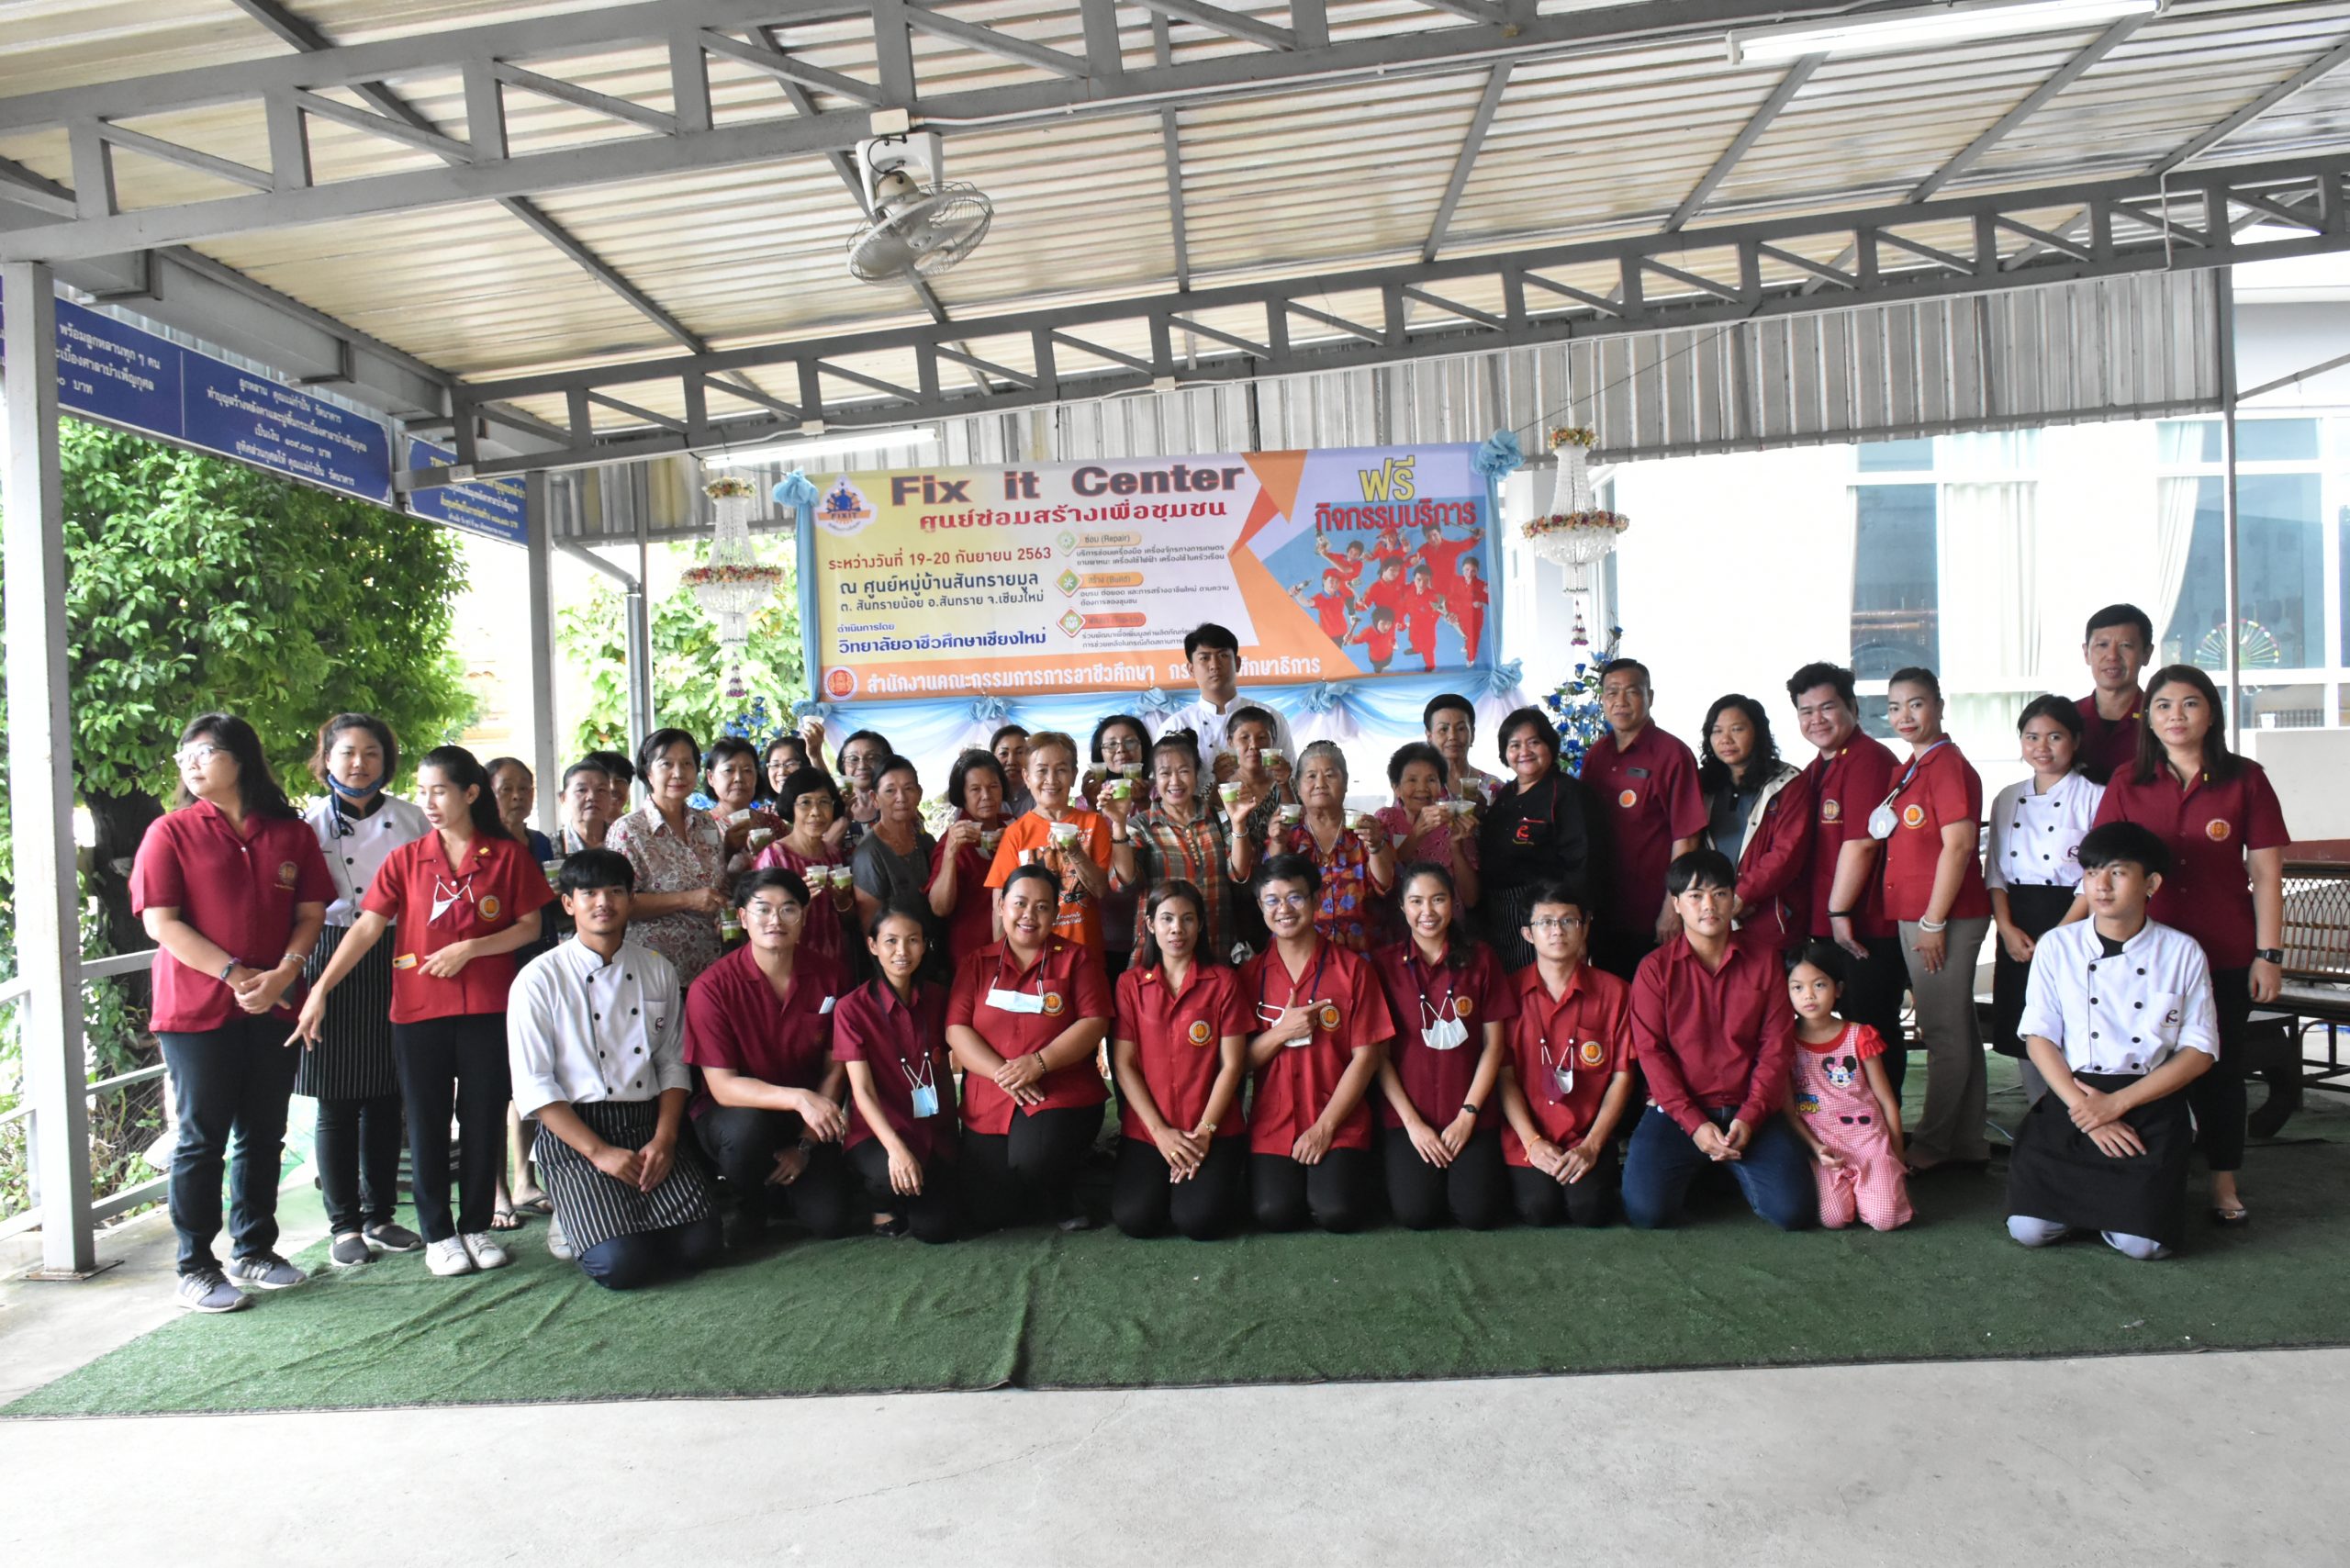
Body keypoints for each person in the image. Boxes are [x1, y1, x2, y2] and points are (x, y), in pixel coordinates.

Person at [295, 745, 553, 1277]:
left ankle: (476, 1226)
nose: (429, 803)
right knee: (428, 1122)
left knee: (482, 1118)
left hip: (488, 1008)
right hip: (418, 1011)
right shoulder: (406, 859)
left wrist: (471, 949)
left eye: (440, 791)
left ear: (470, 793)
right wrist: (320, 987)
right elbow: (367, 928)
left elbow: (529, 927)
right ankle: (439, 1234)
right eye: (423, 792)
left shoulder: (507, 857)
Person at [132, 715, 333, 1313]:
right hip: (195, 1011)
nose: (191, 763)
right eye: (184, 755)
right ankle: (195, 1266)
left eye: (205, 752)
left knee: (264, 1134)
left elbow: (311, 913)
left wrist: (285, 975)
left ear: (240, 758)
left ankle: (255, 1250)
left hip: (274, 1004)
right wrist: (235, 974)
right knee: (201, 1139)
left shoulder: (290, 834)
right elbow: (160, 923)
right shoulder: (169, 832)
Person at [2091, 663, 2288, 1226]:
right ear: (2148, 718)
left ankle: (2223, 1182)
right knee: (2143, 1060)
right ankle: (2149, 1173)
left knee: (2220, 1068)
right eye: (2163, 705)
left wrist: (2268, 955)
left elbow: (2267, 875)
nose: (2175, 716)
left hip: (2225, 951)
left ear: (2212, 714)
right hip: (2143, 953)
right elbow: (2101, 864)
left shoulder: (2246, 779)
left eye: (2190, 703)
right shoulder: (2127, 780)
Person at [506, 850, 721, 1290]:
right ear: (569, 903)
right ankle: (574, 1217)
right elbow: (535, 1085)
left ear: (630, 899)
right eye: (589, 893)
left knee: (703, 1248)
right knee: (622, 1267)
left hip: (647, 1125)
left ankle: (607, 1222)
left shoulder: (656, 968)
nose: (603, 902)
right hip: (578, 1134)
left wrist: (665, 1140)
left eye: (615, 891)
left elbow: (672, 1063)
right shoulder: (538, 978)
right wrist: (599, 1152)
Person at [2005, 823, 2218, 1260]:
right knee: (2029, 1230)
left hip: (2149, 1101)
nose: (2101, 886)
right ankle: (2103, 1209)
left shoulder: (2182, 952)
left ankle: (2118, 1215)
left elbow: (2199, 1052)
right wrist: (2090, 1113)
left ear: (2151, 884)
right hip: (2074, 1095)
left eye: (2117, 873)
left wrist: (2117, 1105)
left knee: (2145, 1246)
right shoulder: (2057, 946)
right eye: (2091, 873)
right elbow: (2039, 1036)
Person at [292, 713, 431, 1269]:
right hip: (331, 951)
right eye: (347, 752)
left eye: (371, 753)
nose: (359, 763)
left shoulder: (412, 818)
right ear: (326, 759)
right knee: (337, 1098)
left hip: (400, 953)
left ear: (386, 761)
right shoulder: (308, 825)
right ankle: (344, 1223)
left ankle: (381, 1216)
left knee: (387, 1094)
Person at [1621, 850, 1812, 1231]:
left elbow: (1776, 1048)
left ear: (1733, 898)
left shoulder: (1765, 960)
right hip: (1678, 1112)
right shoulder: (1654, 969)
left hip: (1749, 1110)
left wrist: (1751, 1117)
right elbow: (1651, 1054)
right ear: (1676, 904)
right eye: (1695, 896)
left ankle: (1724, 1165)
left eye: (1720, 893)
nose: (1709, 905)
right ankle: (1710, 1168)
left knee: (1794, 1213)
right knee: (1647, 1212)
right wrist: (1693, 1124)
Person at [683, 868, 859, 1246]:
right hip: (735, 1114)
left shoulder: (831, 976)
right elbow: (723, 1087)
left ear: (804, 917)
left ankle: (784, 1188)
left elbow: (836, 1069)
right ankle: (750, 1203)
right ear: (743, 918)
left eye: (788, 909)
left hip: (806, 1118)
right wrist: (799, 1098)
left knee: (831, 1220)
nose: (775, 920)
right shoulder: (711, 988)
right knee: (746, 1131)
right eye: (762, 909)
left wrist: (805, 1145)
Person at [946, 862, 1113, 1231]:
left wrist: (1038, 1063)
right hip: (991, 1093)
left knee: (1034, 1159)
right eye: (1020, 903)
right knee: (989, 1212)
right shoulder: (976, 963)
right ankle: (1029, 1187)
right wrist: (1004, 1074)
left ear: (1055, 913)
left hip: (1057, 1091)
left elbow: (1095, 1022)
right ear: (1001, 906)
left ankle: (1061, 1194)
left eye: (1041, 907)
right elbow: (956, 1029)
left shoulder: (1077, 959)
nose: (1029, 915)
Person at [1880, 667, 1993, 1173]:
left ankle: (1933, 1142)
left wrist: (1932, 921)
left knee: (1943, 1032)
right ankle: (1966, 1140)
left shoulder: (1947, 765)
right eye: (1895, 707)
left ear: (1940, 707)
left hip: (1942, 918)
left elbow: (1960, 846)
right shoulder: (1914, 766)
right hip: (1922, 914)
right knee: (1958, 1028)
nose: (1905, 716)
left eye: (1917, 704)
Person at [1244, 856, 1394, 1232]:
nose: (1284, 909)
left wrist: (1324, 1127)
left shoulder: (1353, 970)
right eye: (1272, 900)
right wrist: (1281, 1031)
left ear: (1316, 900)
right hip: (1274, 1122)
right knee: (1274, 1213)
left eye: (1295, 897)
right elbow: (1239, 1062)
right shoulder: (1249, 976)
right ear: (1260, 906)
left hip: (1337, 1118)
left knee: (1337, 1213)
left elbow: (1366, 1057)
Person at [1785, 662, 1908, 1096]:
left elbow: (1863, 843)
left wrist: (1838, 913)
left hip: (1864, 925)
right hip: (1830, 924)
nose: (1816, 719)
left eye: (1827, 707)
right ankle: (1852, 1119)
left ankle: (1886, 1127)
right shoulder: (1818, 767)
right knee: (1843, 1028)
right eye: (1806, 711)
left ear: (1853, 707)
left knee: (1872, 1027)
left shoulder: (1868, 761)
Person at [1371, 863, 1516, 1230]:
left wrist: (1468, 1115)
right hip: (1409, 1116)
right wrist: (1413, 1125)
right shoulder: (1384, 965)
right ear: (1402, 907)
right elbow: (1379, 1057)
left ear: (1453, 903)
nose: (1428, 912)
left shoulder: (1482, 959)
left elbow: (1494, 1046)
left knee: (1477, 1214)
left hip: (1469, 1110)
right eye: (1416, 901)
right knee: (1416, 1214)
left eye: (1438, 899)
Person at [1110, 881, 1253, 1239]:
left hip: (1211, 1127)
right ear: (1150, 924)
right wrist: (1160, 1134)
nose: (1177, 929)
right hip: (1149, 1129)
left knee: (1199, 1221)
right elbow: (1124, 1064)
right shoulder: (1129, 984)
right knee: (1136, 1219)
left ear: (1200, 925)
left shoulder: (1223, 982)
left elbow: (1233, 1066)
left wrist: (1204, 1133)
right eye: (1167, 919)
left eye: (1188, 919)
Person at [1986, 695, 2104, 1104]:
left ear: (2076, 740)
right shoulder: (2006, 797)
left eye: (2055, 736)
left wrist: (2059, 936)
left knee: (2071, 1023)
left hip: (2075, 921)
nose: (2042, 747)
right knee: (2023, 1023)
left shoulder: (2095, 796)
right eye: (2032, 737)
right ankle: (2040, 1114)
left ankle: (2079, 1112)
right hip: (2017, 923)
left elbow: (2094, 877)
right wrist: (2005, 928)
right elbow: (1995, 872)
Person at [1498, 883, 1635, 1227]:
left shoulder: (1616, 992)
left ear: (1584, 927)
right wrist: (1532, 1142)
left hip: (1587, 1134)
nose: (1557, 931)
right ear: (1527, 934)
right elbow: (1504, 1077)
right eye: (1545, 922)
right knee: (1539, 1209)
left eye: (1568, 921)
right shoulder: (1509, 992)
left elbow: (1622, 1076)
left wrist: (1592, 1145)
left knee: (1590, 1211)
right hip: (1528, 1134)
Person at [834, 903, 962, 1241]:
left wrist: (954, 1134)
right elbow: (862, 1091)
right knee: (888, 1178)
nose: (902, 952)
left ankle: (912, 1197)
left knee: (939, 1228)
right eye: (891, 941)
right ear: (873, 945)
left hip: (932, 1130)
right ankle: (880, 1202)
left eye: (913, 940)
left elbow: (945, 1069)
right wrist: (895, 1148)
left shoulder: (938, 997)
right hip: (879, 1134)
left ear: (925, 945)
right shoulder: (852, 1009)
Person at [1579, 658, 1707, 981]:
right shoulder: (1596, 755)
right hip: (1605, 911)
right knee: (1611, 998)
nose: (1620, 701)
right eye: (1612, 692)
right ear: (1602, 700)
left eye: (1632, 691)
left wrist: (1672, 908)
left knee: (1657, 997)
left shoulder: (1672, 754)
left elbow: (1687, 838)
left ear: (1650, 696)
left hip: (1652, 914)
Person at [1784, 941, 1912, 1232]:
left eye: (1819, 985)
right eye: (1797, 988)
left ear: (1838, 989)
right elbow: (1789, 1111)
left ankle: (1881, 1183)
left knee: (1885, 1218)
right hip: (1824, 1145)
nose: (1809, 995)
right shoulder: (1783, 1044)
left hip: (1869, 1139)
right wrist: (1816, 1148)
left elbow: (1886, 1100)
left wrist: (1896, 1157)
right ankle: (1855, 1190)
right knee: (1834, 1218)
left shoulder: (1859, 1036)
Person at [1111, 732, 1252, 968]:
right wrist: (1118, 823)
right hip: (1160, 954)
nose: (1175, 781)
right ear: (1154, 778)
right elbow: (1124, 882)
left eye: (1184, 771)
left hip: (1215, 943)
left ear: (1197, 773)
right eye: (1165, 773)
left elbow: (1240, 873)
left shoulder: (1220, 818)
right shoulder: (1141, 825)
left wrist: (1238, 823)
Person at [1476, 707, 1600, 971]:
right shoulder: (1505, 794)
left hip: (1546, 914)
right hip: (1500, 915)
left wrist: (1579, 931)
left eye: (1534, 742)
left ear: (1550, 745)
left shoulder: (1567, 793)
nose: (1524, 752)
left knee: (1543, 985)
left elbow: (1582, 865)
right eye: (1514, 745)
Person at [603, 728, 728, 988]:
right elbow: (618, 902)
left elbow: (718, 885)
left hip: (711, 968)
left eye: (687, 764)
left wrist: (723, 911)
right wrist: (688, 899)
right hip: (653, 972)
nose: (678, 773)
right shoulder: (628, 830)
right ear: (648, 772)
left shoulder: (706, 823)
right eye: (667, 764)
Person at [1696, 694, 1813, 949]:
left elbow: (1786, 853)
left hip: (1771, 920)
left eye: (1737, 729)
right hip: (1712, 917)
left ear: (1758, 732)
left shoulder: (1788, 782)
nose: (1726, 739)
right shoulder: (1702, 784)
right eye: (1717, 731)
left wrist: (1741, 895)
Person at [983, 730, 1114, 956]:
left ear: (1073, 775)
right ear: (1027, 777)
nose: (1051, 780)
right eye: (1042, 770)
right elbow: (1000, 909)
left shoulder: (1094, 823)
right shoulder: (1015, 833)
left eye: (1061, 770)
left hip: (1084, 955)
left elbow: (1101, 890)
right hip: (1034, 957)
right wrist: (1002, 961)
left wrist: (1075, 852)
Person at [1264, 740, 1395, 954]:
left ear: (1346, 783)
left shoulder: (1367, 828)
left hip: (1364, 954)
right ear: (1298, 786)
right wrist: (1278, 842)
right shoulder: (1287, 833)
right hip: (1303, 955)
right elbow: (1270, 887)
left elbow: (1385, 884)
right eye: (1311, 776)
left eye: (1330, 775)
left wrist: (1375, 845)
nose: (1320, 783)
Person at [753, 767, 860, 977]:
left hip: (835, 965)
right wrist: (797, 905)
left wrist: (843, 902)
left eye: (824, 802)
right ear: (790, 807)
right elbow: (761, 924)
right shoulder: (774, 858)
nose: (816, 812)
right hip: (790, 969)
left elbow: (848, 921)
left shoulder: (834, 855)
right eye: (805, 803)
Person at [1374, 741, 1480, 946]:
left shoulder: (1454, 820)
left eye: (1431, 779)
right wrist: (1417, 832)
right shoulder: (1386, 820)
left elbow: (1471, 899)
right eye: (1412, 780)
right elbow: (1385, 879)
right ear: (1396, 788)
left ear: (1441, 786)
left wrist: (1456, 847)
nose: (1422, 788)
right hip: (1397, 936)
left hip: (1449, 933)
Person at [1152, 622, 1298, 758]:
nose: (1214, 665)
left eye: (1223, 656)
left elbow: (1291, 772)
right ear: (1191, 669)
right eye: (1204, 658)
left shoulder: (1270, 717)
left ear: (1238, 663)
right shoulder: (1176, 726)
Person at [851, 755, 937, 967]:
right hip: (897, 962)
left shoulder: (925, 841)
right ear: (875, 798)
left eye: (908, 788)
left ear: (919, 794)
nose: (901, 797)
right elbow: (871, 927)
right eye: (890, 790)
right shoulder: (869, 853)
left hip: (931, 954)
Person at [927, 749, 1008, 969]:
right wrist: (951, 853)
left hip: (1014, 947)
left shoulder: (1012, 825)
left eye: (993, 786)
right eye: (975, 789)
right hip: (972, 954)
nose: (986, 796)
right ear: (961, 795)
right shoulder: (953, 839)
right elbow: (939, 908)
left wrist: (1014, 845)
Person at [1084, 715, 1153, 968]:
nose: (1121, 750)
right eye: (1111, 744)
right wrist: (1091, 805)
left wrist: (1144, 803)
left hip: (1150, 924)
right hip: (1103, 923)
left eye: (1130, 741)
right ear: (1100, 753)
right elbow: (1082, 852)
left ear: (1143, 747)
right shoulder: (1088, 799)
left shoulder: (1162, 790)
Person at [2076, 603, 2153, 786]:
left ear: (2146, 654)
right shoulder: (2065, 718)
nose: (2112, 656)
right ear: (2086, 653)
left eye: (2126, 645)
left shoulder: (2162, 720)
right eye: (2102, 645)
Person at [704, 736, 784, 877]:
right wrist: (728, 851)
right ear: (711, 777)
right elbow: (703, 877)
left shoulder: (773, 824)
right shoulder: (703, 826)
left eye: (747, 770)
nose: (739, 778)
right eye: (729, 770)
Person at [1423, 694, 1500, 798]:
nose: (1452, 736)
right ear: (1429, 737)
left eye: (1460, 728)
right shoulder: (1417, 789)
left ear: (1472, 735)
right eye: (1443, 729)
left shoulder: (1493, 787)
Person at [834, 728, 892, 850]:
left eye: (872, 758)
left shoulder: (898, 804)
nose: (862, 766)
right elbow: (821, 854)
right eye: (853, 759)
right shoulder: (832, 809)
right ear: (843, 765)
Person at [487, 756, 555, 862]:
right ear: (488, 795)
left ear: (532, 793)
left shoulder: (540, 842)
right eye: (507, 789)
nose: (517, 796)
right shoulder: (482, 846)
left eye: (523, 788)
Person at [555, 758, 617, 855]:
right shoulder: (549, 845)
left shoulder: (622, 840)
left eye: (601, 790)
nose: (592, 797)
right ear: (564, 798)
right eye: (582, 790)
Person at [1398, 561, 1445, 673]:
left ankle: (1430, 667)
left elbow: (1441, 610)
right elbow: (1403, 605)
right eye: (1419, 579)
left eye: (1426, 580)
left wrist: (1432, 621)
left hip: (1427, 625)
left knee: (1428, 649)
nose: (1422, 583)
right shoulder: (1409, 590)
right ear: (1413, 578)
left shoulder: (1433, 596)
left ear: (1430, 581)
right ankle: (1416, 649)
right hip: (1414, 622)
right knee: (1412, 638)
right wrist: (1400, 620)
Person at [1447, 555, 1490, 662]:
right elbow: (1451, 598)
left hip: (1475, 617)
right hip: (1460, 614)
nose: (1469, 573)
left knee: (1473, 637)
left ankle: (1471, 659)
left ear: (1477, 571)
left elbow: (1488, 601)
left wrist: (1489, 594)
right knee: (1466, 634)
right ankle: (1467, 646)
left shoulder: (1482, 585)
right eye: (1467, 569)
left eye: (1473, 571)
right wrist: (1453, 611)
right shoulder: (1456, 582)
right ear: (1462, 569)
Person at [990, 723, 1036, 819]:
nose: (1011, 761)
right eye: (1004, 753)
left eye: (1019, 752)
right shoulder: (985, 797)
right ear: (993, 758)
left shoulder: (1039, 796)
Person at [762, 734, 811, 806]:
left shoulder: (817, 808)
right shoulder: (762, 813)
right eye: (775, 765)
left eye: (790, 764)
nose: (782, 772)